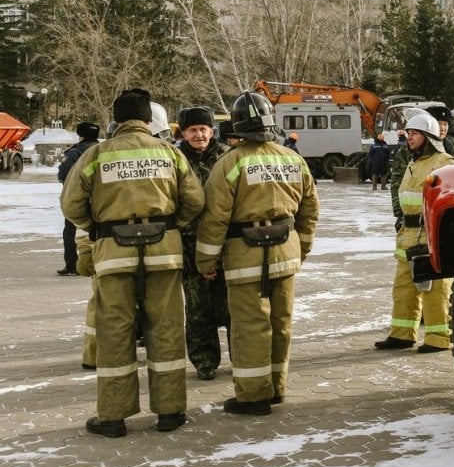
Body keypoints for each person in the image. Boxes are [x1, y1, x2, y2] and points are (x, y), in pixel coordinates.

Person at [60, 88, 205, 438]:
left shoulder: (97, 154)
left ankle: (112, 417)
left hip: (114, 256)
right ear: (146, 120)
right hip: (163, 254)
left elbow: (71, 204)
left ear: (117, 119)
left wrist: (100, 227)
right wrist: (171, 226)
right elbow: (194, 200)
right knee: (166, 330)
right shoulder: (170, 153)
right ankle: (170, 412)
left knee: (115, 332)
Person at [196, 92, 319, 416]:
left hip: (244, 256)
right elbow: (310, 209)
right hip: (285, 253)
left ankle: (253, 395)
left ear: (237, 125)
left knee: (250, 326)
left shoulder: (230, 163)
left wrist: (206, 261)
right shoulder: (292, 158)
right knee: (281, 322)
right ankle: (276, 387)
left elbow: (215, 218)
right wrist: (302, 247)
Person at [375, 109, 454, 353]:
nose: (409, 137)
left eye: (414, 133)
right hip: (408, 235)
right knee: (403, 288)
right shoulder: (413, 162)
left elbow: (450, 202)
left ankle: (438, 338)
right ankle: (402, 334)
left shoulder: (444, 163)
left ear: (428, 136)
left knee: (434, 289)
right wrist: (401, 219)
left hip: (429, 235)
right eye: (408, 133)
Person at [176, 106, 230, 381]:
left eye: (203, 129)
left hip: (226, 245)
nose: (199, 135)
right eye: (193, 130)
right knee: (198, 310)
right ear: (183, 133)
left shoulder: (227, 157)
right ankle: (204, 361)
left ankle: (243, 356)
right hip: (190, 246)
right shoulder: (176, 160)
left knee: (233, 307)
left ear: (212, 131)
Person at [57, 122, 100, 276]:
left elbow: (63, 174)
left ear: (80, 135)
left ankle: (72, 265)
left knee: (70, 230)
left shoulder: (74, 152)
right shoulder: (103, 149)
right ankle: (96, 261)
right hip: (100, 199)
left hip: (79, 198)